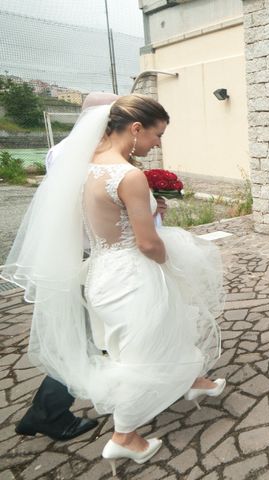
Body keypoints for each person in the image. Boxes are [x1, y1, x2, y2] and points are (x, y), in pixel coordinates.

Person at [1, 95, 225, 474]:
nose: (157, 144)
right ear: (136, 129)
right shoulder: (129, 175)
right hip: (133, 275)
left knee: (161, 332)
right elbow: (148, 243)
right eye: (157, 135)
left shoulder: (84, 166)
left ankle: (195, 380)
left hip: (103, 272)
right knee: (140, 355)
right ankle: (124, 438)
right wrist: (172, 265)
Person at [14, 92, 119, 442]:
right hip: (86, 255)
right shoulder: (84, 155)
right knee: (85, 338)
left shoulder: (60, 149)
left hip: (73, 254)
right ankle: (49, 413)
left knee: (86, 334)